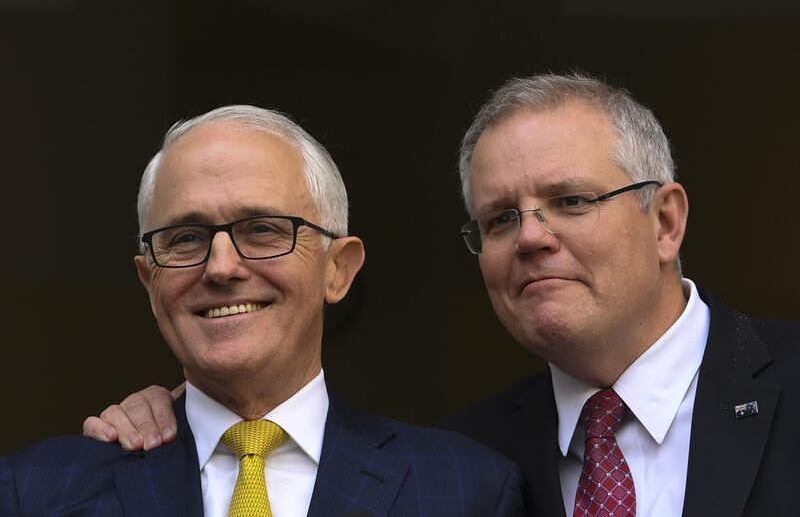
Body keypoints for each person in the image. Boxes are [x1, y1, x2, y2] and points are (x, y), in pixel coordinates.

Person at [83, 75, 800, 517]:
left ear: (666, 220)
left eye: (571, 200)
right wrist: (188, 413)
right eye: (499, 219)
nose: (532, 237)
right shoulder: (473, 462)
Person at [0, 105, 523, 516]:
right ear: (149, 281)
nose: (222, 267)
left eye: (263, 230)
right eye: (185, 238)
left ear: (338, 269)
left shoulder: (465, 487)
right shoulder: (36, 491)